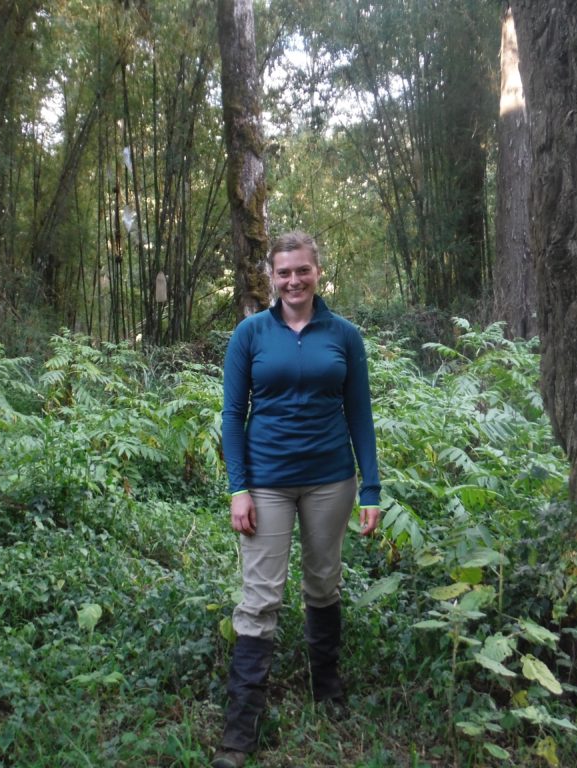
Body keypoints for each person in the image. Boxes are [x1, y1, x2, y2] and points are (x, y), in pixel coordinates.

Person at [213, 231, 381, 768]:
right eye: (283, 272)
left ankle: (327, 689)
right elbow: (232, 417)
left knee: (323, 580)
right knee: (260, 595)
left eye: (301, 270)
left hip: (331, 480)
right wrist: (238, 487)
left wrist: (370, 489)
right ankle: (242, 726)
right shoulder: (250, 334)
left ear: (317, 272)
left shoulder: (345, 336)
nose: (293, 281)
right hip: (266, 481)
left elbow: (360, 416)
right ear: (272, 277)